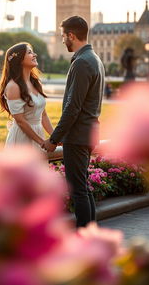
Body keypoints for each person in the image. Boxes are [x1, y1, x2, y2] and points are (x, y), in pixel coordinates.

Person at [42, 16, 105, 228]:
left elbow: (72, 108)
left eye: (63, 36)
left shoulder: (81, 62)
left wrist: (54, 138)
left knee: (78, 190)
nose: (62, 41)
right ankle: (91, 233)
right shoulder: (94, 58)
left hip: (77, 136)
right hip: (88, 133)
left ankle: (84, 238)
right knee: (84, 188)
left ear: (71, 35)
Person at [0, 42, 54, 147]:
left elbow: (43, 115)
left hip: (38, 134)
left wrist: (55, 138)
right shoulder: (13, 86)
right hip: (22, 138)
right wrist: (42, 142)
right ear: (19, 60)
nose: (35, 55)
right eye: (30, 53)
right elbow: (20, 121)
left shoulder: (36, 83)